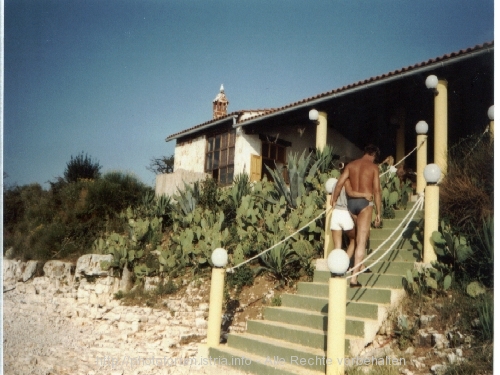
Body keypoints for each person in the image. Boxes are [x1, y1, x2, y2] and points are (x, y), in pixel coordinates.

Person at [330, 145, 382, 287]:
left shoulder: (351, 165)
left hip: (351, 205)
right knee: (361, 240)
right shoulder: (373, 167)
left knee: (358, 234)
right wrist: (378, 212)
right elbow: (376, 191)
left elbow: (340, 183)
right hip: (365, 204)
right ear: (374, 155)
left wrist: (334, 199)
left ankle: (357, 265)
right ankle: (353, 279)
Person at [330, 163, 372, 262]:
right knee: (355, 239)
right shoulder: (347, 181)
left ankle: (338, 268)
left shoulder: (335, 184)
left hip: (335, 214)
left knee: (337, 247)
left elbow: (332, 201)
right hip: (344, 214)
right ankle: (346, 262)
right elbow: (350, 193)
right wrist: (365, 195)